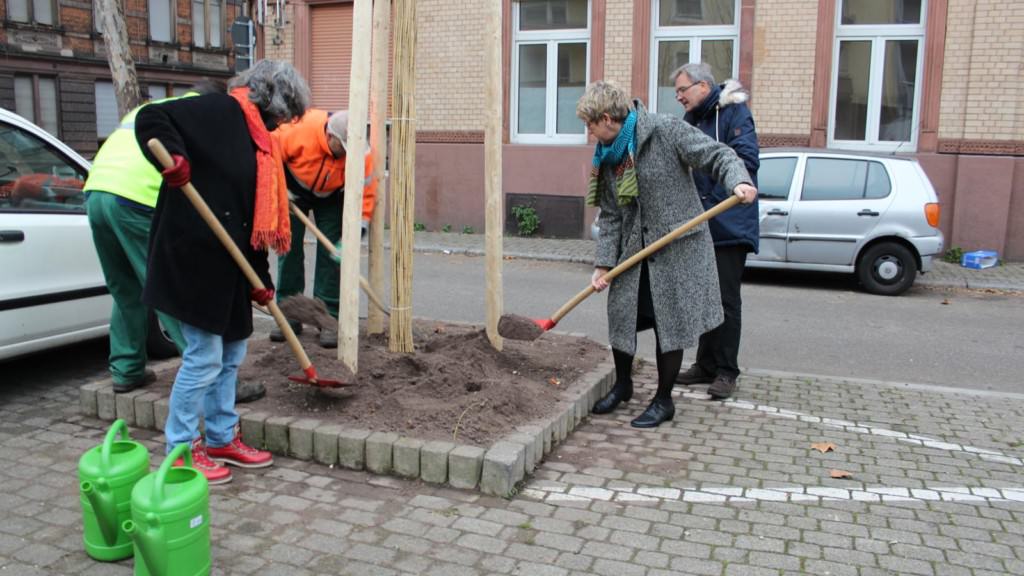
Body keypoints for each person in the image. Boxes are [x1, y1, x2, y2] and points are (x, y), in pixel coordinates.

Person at [135, 60, 310, 484]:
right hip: (192, 256)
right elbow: (150, 117)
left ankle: (220, 437)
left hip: (228, 264)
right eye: (285, 114)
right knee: (205, 356)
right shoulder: (217, 110)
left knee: (232, 353)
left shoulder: (257, 142)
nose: (284, 124)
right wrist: (173, 156)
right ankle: (180, 449)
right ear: (271, 100)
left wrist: (262, 283)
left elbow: (247, 220)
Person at [580, 80, 756, 428]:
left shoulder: (665, 130)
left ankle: (663, 400)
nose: (588, 133)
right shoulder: (608, 154)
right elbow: (612, 214)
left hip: (676, 248)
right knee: (621, 316)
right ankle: (624, 385)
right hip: (635, 249)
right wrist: (603, 264)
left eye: (590, 124)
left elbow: (718, 155)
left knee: (668, 323)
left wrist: (737, 180)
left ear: (606, 118)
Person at [84, 81, 265, 403]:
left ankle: (126, 370)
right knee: (172, 293)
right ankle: (209, 377)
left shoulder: (157, 109)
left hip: (98, 192)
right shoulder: (205, 116)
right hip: (136, 199)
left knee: (126, 289)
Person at [672, 63, 760, 400]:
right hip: (700, 226)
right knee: (704, 297)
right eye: (677, 92)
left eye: (683, 90)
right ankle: (704, 365)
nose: (679, 97)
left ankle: (726, 371)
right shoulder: (692, 120)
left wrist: (713, 200)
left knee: (725, 300)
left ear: (704, 86)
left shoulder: (734, 114)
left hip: (729, 223)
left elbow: (746, 162)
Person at [270, 109, 378, 348]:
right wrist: (278, 189)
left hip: (331, 196)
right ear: (330, 137)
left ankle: (327, 318)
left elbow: (367, 192)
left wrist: (356, 232)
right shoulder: (298, 129)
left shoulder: (361, 151)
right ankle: (289, 313)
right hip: (293, 189)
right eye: (345, 149)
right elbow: (269, 153)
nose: (349, 156)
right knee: (289, 250)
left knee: (331, 256)